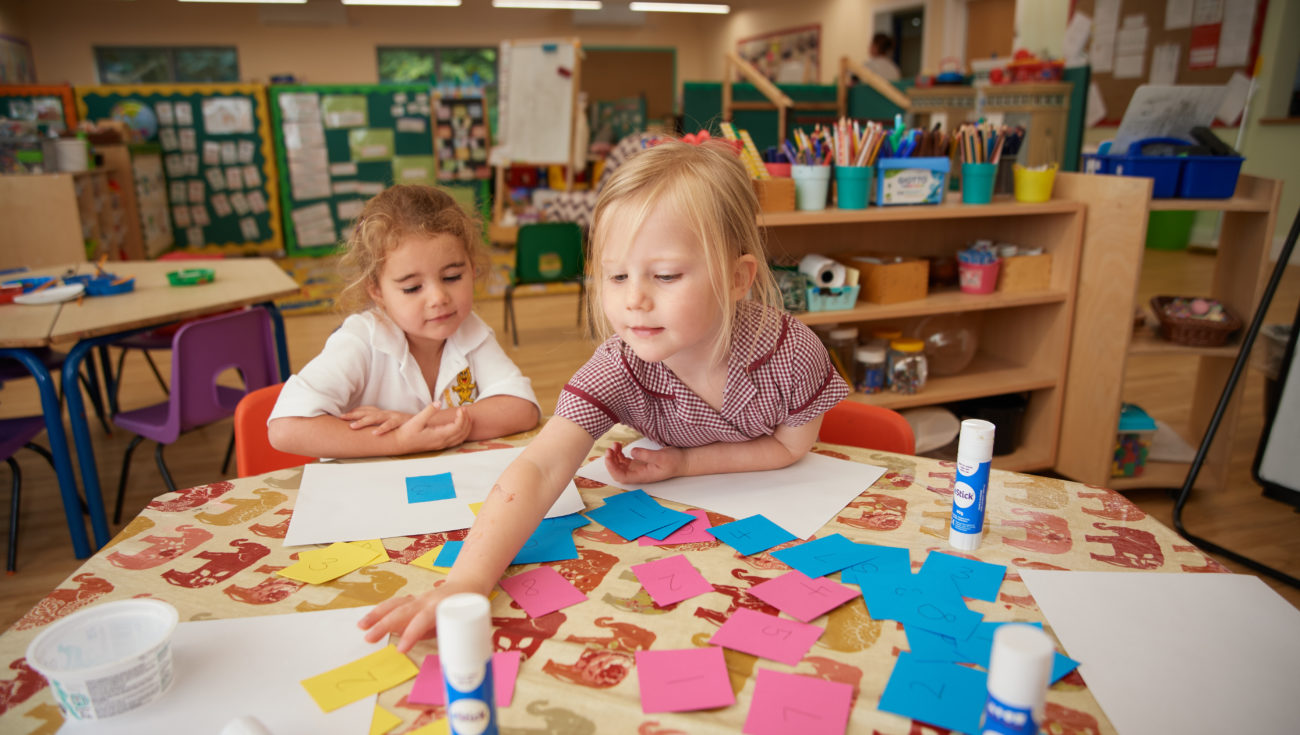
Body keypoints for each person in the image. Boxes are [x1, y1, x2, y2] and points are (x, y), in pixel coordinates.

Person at [359, 141, 850, 652]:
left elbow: (790, 449)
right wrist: (465, 583)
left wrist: (685, 463)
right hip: (680, 561)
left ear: (736, 278)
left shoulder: (791, 352)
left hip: (787, 543)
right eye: (616, 276)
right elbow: (541, 467)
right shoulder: (620, 364)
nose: (634, 299)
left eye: (665, 276)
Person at [267, 185, 540, 459]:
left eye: (453, 277)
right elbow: (286, 428)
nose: (438, 298)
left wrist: (421, 423)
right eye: (412, 288)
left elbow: (522, 409)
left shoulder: (470, 329)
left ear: (472, 268)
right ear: (376, 291)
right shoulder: (360, 341)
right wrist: (399, 440)